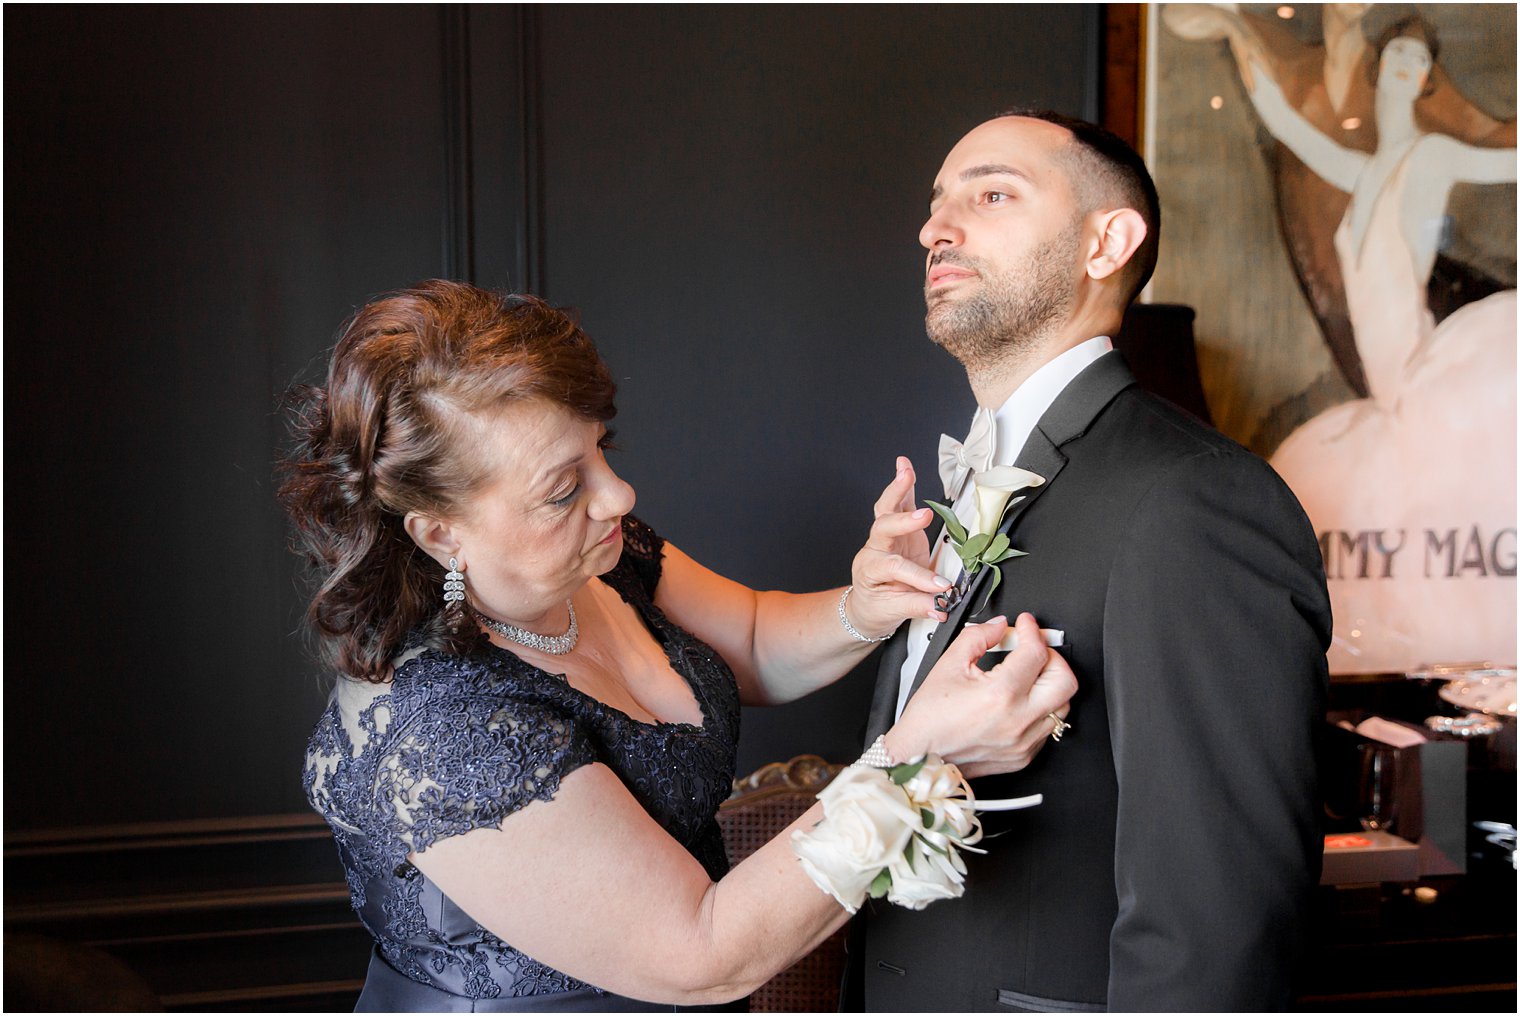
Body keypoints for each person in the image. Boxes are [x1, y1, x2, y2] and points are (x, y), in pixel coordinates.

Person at [279, 281, 1078, 1011]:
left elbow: (757, 643)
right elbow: (701, 953)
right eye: (564, 490)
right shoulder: (445, 732)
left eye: (603, 450)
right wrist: (918, 760)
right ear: (440, 532)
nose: (617, 496)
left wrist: (867, 607)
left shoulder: (605, 555)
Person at [855, 112, 1333, 1011]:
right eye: (935, 205)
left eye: (990, 193)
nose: (934, 228)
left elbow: (1218, 927)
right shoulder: (966, 490)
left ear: (1106, 241)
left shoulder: (1195, 501)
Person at [1244, 18, 1516, 671]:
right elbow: (1285, 126)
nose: (1402, 62)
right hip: (1388, 385)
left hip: (1416, 371)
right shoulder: (1362, 169)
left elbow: (1512, 162)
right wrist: (1245, 46)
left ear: (1426, 77)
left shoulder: (1434, 155)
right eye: (1394, 49)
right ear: (1380, 65)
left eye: (1416, 57)